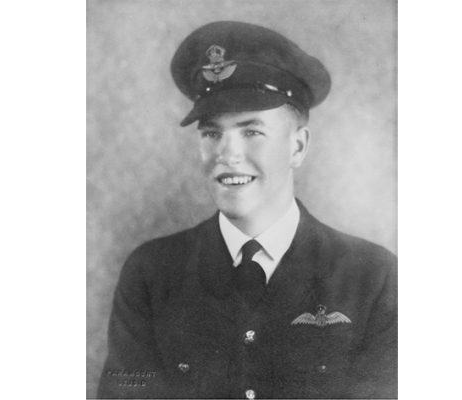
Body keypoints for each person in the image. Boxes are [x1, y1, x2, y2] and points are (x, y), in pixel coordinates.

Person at [97, 21, 397, 399]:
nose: (227, 154)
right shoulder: (151, 275)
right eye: (212, 133)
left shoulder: (373, 278)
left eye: (251, 131)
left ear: (298, 147)